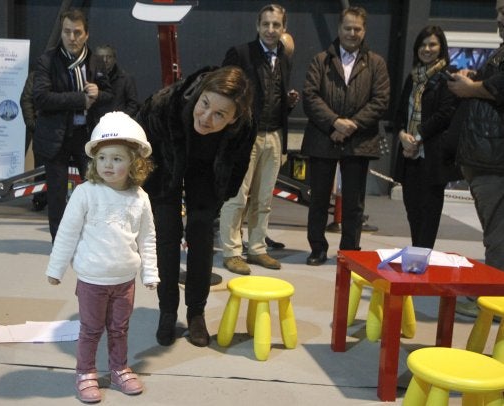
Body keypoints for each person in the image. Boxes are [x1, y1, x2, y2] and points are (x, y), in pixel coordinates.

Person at [46, 111, 160, 403]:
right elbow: (67, 234)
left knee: (120, 328)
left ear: (135, 162)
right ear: (94, 161)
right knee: (91, 329)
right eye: (102, 158)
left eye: (118, 158)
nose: (108, 165)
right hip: (92, 280)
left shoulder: (140, 197)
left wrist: (150, 272)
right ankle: (85, 372)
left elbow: (147, 237)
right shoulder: (86, 194)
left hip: (125, 281)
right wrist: (56, 268)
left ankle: (119, 368)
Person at [136, 66, 254, 347]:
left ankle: (196, 313)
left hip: (208, 171)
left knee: (201, 233)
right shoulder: (165, 104)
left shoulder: (245, 125)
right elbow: (137, 140)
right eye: (204, 105)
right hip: (166, 165)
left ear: (234, 118)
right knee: (166, 234)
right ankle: (167, 312)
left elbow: (239, 164)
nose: (206, 117)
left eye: (220, 115)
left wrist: (222, 195)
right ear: (199, 94)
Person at [301, 6, 390, 266]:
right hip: (322, 138)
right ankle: (317, 248)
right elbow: (310, 96)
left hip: (359, 140)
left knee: (354, 202)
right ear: (339, 29)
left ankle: (349, 252)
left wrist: (352, 125)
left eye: (357, 29)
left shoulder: (376, 63)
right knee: (318, 199)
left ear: (364, 31)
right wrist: (334, 123)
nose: (352, 33)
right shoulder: (320, 61)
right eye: (347, 28)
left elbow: (381, 100)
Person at [219, 4, 300, 275]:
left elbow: (273, 96)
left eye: (276, 25)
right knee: (237, 196)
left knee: (264, 199)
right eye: (266, 24)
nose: (270, 29)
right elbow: (224, 91)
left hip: (274, 135)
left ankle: (256, 248)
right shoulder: (241, 53)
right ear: (258, 26)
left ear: (283, 28)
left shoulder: (285, 57)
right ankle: (231, 252)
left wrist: (287, 103)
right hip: (245, 135)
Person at [33, 8, 112, 242]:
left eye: (77, 32)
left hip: (85, 135)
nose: (71, 37)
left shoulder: (95, 61)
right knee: (56, 195)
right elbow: (41, 98)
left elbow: (110, 94)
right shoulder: (47, 60)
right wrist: (80, 99)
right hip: (55, 137)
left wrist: (99, 93)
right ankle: (60, 242)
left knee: (95, 189)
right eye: (67, 32)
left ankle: (93, 238)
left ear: (86, 34)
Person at [446, 0, 504, 316]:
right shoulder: (500, 51)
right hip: (485, 159)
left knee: (498, 235)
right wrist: (474, 80)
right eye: (497, 11)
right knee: (495, 233)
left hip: (495, 161)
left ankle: (491, 303)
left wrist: (472, 88)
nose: (498, 18)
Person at [393, 25, 459, 249]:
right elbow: (400, 114)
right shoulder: (412, 78)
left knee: (429, 215)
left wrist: (418, 136)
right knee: (413, 212)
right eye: (423, 44)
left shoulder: (447, 78)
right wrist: (403, 135)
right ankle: (416, 257)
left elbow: (445, 114)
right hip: (409, 154)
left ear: (441, 48)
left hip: (432, 157)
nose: (427, 49)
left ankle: (423, 258)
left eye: (432, 44)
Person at [20, 70, 48, 212]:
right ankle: (40, 199)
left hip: (69, 128)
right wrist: (32, 123)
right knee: (40, 167)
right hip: (43, 127)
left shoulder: (73, 70)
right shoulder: (37, 74)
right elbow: (26, 99)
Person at [95, 44, 140, 117]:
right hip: (97, 124)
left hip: (120, 124)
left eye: (109, 57)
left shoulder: (126, 79)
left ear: (115, 59)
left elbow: (133, 105)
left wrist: (121, 119)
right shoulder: (90, 79)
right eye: (101, 57)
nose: (105, 60)